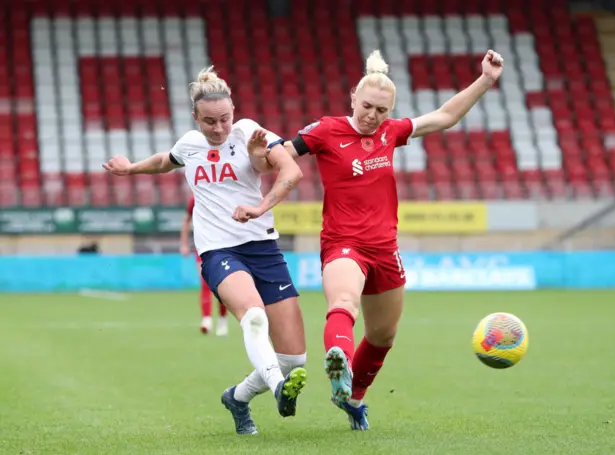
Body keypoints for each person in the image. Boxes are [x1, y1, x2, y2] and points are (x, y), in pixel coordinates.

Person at [257, 49, 504, 430]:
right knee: (343, 302)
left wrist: (486, 79)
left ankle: (352, 398)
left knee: (382, 335)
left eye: (382, 110)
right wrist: (263, 156)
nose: (372, 116)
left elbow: (446, 116)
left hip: (386, 249)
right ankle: (338, 354)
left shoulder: (392, 132)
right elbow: (282, 155)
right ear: (353, 97)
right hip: (343, 244)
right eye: (367, 106)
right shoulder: (324, 130)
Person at [102, 65, 308, 435]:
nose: (219, 129)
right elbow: (166, 161)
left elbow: (291, 172)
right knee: (253, 316)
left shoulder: (249, 132)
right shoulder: (190, 144)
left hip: (263, 247)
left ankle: (238, 397)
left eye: (225, 119)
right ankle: (279, 388)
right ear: (195, 117)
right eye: (210, 121)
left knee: (294, 357)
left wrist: (260, 203)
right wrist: (131, 168)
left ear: (234, 112)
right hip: (218, 251)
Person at [180, 194, 229, 336]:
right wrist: (183, 244)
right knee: (205, 282)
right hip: (202, 247)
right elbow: (186, 221)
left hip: (222, 246)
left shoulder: (221, 195)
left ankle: (222, 320)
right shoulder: (194, 199)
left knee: (222, 286)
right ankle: (206, 320)